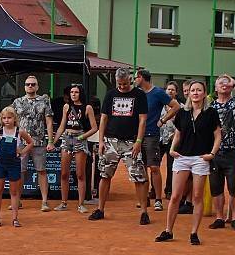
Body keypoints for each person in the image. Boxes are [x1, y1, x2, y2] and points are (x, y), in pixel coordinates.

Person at [156, 80, 221, 244]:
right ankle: (168, 230)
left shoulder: (211, 113)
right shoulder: (183, 113)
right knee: (176, 195)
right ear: (188, 93)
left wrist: (212, 154)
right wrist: (171, 149)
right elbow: (177, 134)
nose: (196, 93)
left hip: (200, 158)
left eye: (199, 90)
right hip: (182, 157)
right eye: (193, 90)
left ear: (205, 93)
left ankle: (194, 233)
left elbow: (218, 136)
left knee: (198, 196)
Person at [89, 67, 150, 224]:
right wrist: (101, 141)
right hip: (111, 141)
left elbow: (143, 120)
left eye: (124, 84)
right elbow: (103, 119)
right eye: (119, 84)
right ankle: (100, 209)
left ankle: (144, 212)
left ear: (129, 80)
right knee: (105, 175)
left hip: (131, 141)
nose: (122, 87)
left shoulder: (139, 95)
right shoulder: (110, 94)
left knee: (139, 177)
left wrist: (138, 142)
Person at [208, 74, 235, 232]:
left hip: (232, 152)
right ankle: (219, 217)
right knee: (216, 187)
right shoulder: (211, 107)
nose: (224, 85)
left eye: (227, 83)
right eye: (221, 83)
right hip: (215, 152)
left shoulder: (234, 103)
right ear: (216, 88)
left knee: (234, 187)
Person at [135, 68, 179, 212]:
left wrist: (163, 120)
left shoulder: (158, 92)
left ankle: (158, 199)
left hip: (152, 135)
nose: (135, 80)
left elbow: (175, 106)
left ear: (141, 78)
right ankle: (144, 198)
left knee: (154, 167)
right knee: (140, 168)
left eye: (136, 77)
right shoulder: (137, 94)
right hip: (137, 136)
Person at [12, 75, 55, 212]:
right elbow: (11, 120)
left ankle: (44, 201)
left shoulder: (44, 101)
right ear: (24, 86)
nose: (30, 86)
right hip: (21, 142)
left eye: (33, 84)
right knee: (20, 171)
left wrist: (50, 140)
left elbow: (48, 122)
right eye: (28, 84)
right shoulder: (17, 102)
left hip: (39, 141)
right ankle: (17, 200)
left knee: (41, 171)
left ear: (37, 86)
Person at [53, 83, 98, 212]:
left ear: (81, 94)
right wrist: (53, 141)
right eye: (72, 92)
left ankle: (81, 204)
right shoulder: (66, 107)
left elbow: (95, 127)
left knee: (80, 174)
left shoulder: (87, 108)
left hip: (79, 138)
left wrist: (82, 136)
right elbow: (62, 126)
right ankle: (63, 202)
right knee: (64, 173)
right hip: (67, 138)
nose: (73, 94)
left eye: (76, 92)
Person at [0, 106, 33, 227]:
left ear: (14, 118)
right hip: (0, 163)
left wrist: (22, 152)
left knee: (14, 192)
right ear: (1, 119)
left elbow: (31, 142)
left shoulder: (19, 131)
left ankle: (15, 218)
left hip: (14, 163)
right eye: (4, 118)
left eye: (9, 117)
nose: (7, 120)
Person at [160, 81, 180, 201]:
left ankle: (169, 190)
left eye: (173, 90)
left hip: (173, 140)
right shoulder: (159, 105)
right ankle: (153, 190)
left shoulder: (180, 107)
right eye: (168, 89)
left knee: (171, 166)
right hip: (159, 138)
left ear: (176, 92)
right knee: (154, 166)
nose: (170, 91)